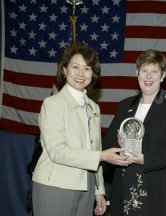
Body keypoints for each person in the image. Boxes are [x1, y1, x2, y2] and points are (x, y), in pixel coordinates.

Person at [32, 42, 130, 216]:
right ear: (64, 70)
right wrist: (101, 156)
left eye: (87, 68)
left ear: (93, 74)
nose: (80, 73)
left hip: (86, 186)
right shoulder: (52, 104)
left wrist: (99, 190)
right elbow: (57, 152)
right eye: (75, 67)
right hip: (55, 185)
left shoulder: (94, 108)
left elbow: (95, 149)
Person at [103, 49, 166, 216]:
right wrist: (119, 147)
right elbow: (108, 144)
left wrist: (146, 159)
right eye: (144, 70)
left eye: (154, 71)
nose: (149, 76)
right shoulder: (125, 105)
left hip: (161, 190)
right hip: (126, 187)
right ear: (137, 74)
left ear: (162, 76)